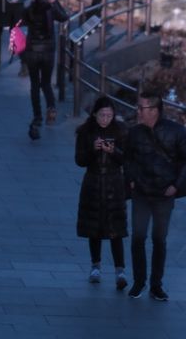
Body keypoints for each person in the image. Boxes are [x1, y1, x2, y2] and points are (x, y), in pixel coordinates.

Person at [122, 92, 186, 300]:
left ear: (154, 110)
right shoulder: (134, 132)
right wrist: (132, 179)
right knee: (138, 237)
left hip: (164, 193)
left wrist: (176, 186)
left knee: (159, 239)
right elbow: (128, 158)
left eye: (141, 108)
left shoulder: (176, 132)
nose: (138, 112)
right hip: (141, 192)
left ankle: (156, 285)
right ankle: (138, 282)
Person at [76, 97, 129, 289]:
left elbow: (127, 159)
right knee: (94, 227)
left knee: (117, 229)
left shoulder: (122, 131)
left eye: (109, 115)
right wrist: (93, 150)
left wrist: (113, 151)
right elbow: (80, 160)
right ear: (94, 114)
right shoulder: (85, 132)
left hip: (115, 183)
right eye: (102, 115)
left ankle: (120, 270)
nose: (106, 119)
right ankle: (95, 265)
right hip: (93, 181)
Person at [19, 0, 68, 135]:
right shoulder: (50, 9)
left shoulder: (28, 10)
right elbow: (64, 17)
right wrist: (54, 1)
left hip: (32, 51)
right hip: (48, 52)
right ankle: (51, 107)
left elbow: (23, 22)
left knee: (35, 84)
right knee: (46, 83)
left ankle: (37, 116)